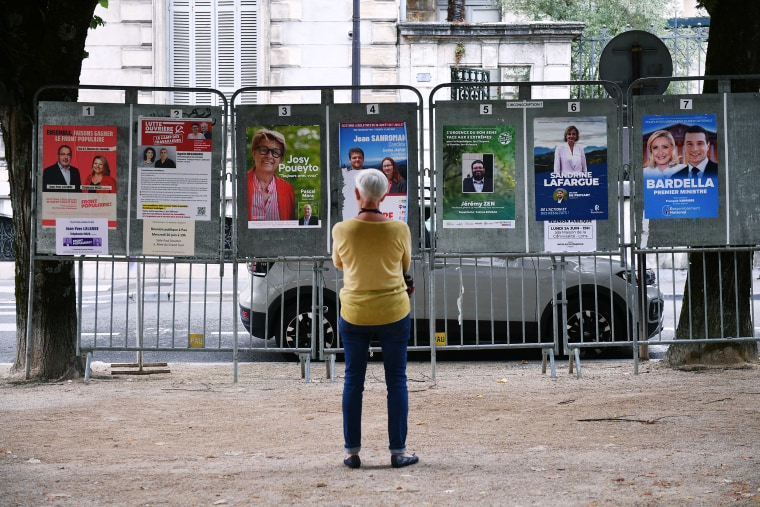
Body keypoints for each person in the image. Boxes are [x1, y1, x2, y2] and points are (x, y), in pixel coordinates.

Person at [331, 168, 418, 470]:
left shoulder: (341, 230)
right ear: (384, 195)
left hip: (354, 312)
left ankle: (352, 452)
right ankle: (398, 451)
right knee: (396, 380)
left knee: (353, 380)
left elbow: (340, 263)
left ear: (357, 194)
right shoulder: (399, 230)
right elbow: (404, 264)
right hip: (394, 310)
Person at [247, 128, 295, 221]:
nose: (269, 156)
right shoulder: (240, 183)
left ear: (280, 159)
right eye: (264, 150)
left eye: (275, 152)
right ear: (254, 153)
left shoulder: (288, 189)